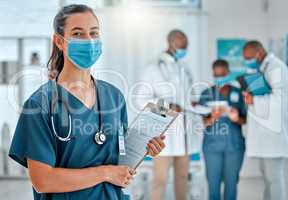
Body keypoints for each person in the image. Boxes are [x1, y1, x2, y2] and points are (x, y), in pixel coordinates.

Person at [8, 4, 165, 200]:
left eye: (94, 33)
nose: (89, 41)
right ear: (59, 41)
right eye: (78, 34)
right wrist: (105, 173)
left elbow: (120, 158)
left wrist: (144, 148)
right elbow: (43, 181)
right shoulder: (39, 104)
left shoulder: (114, 97)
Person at [136, 29, 194, 200]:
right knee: (160, 180)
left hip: (183, 135)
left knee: (183, 178)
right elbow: (141, 99)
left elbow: (187, 97)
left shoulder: (183, 67)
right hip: (163, 134)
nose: (185, 48)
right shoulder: (153, 67)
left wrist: (194, 104)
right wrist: (168, 107)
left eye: (187, 45)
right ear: (172, 43)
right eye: (183, 45)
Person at [242, 40, 288, 200]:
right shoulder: (265, 68)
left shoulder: (277, 67)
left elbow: (281, 102)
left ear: (259, 52)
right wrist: (251, 96)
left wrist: (254, 100)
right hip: (264, 136)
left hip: (273, 135)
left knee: (274, 179)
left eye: (249, 57)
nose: (247, 61)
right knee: (268, 179)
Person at [199, 59, 247, 200]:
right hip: (212, 147)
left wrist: (236, 118)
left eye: (222, 74)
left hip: (234, 146)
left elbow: (245, 120)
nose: (219, 78)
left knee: (231, 184)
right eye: (216, 75)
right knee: (213, 185)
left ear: (229, 73)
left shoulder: (239, 94)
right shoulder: (206, 94)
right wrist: (212, 118)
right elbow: (204, 122)